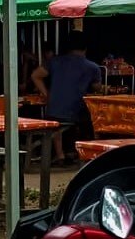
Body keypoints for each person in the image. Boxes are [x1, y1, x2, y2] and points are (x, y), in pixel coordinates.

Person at [31, 30, 101, 164]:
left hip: (54, 111)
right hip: (78, 113)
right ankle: (88, 153)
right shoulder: (92, 67)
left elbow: (35, 76)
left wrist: (47, 94)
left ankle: (60, 155)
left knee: (56, 118)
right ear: (86, 47)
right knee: (92, 119)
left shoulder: (54, 62)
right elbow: (97, 88)